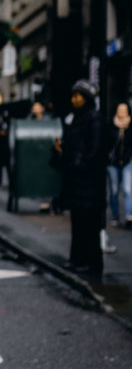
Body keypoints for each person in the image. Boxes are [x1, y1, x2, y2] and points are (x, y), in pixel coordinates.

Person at [51, 80, 108, 277]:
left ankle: (90, 263)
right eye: (73, 96)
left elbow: (95, 152)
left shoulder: (95, 120)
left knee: (90, 225)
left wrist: (78, 165)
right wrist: (61, 150)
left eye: (78, 96)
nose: (74, 100)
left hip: (90, 184)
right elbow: (73, 148)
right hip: (77, 183)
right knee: (78, 223)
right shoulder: (76, 119)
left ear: (87, 98)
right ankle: (77, 259)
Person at [107, 100, 132, 228]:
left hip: (127, 162)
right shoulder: (111, 127)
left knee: (128, 190)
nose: (122, 113)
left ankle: (128, 215)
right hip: (113, 163)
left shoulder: (130, 128)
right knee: (114, 191)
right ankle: (115, 216)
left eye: (124, 110)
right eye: (120, 110)